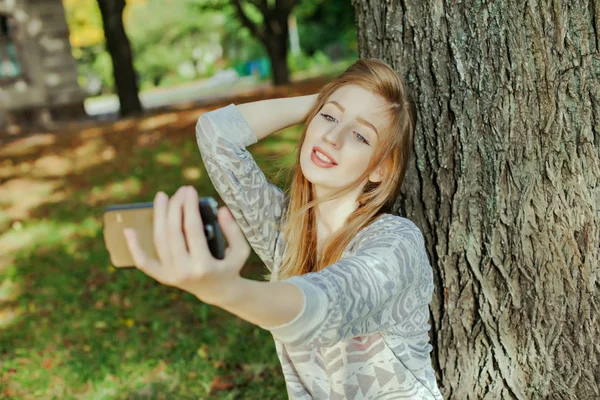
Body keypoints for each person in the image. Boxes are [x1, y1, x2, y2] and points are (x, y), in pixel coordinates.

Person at [124, 58, 443, 399]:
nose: (332, 136)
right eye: (329, 118)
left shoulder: (396, 244)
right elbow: (216, 134)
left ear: (380, 169)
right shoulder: (285, 231)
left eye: (360, 136)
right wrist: (321, 102)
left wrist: (226, 290)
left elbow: (327, 306)